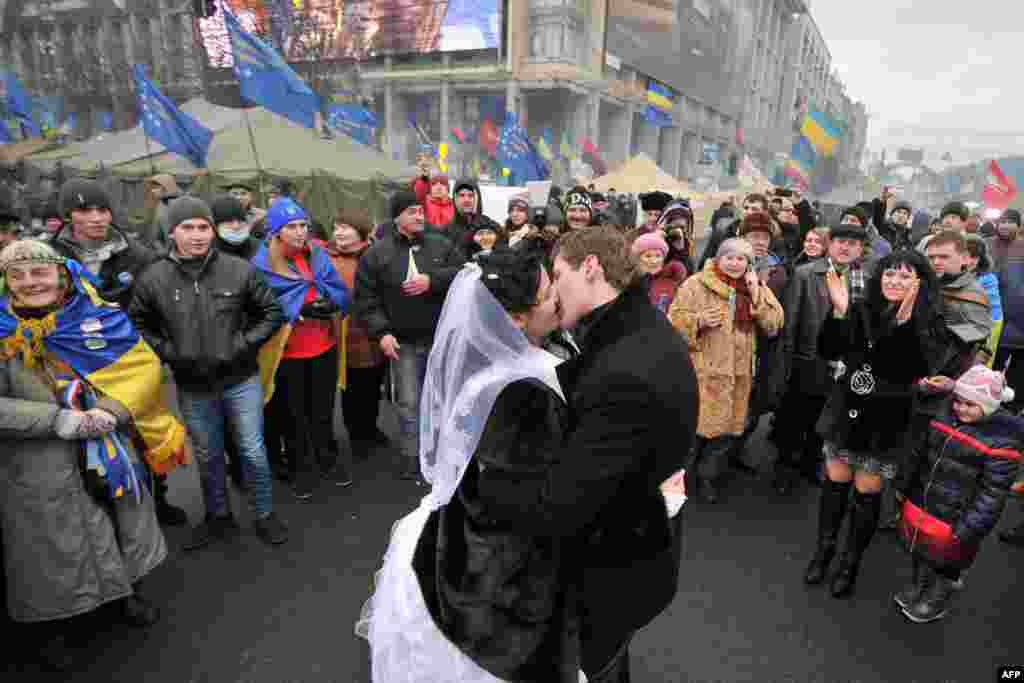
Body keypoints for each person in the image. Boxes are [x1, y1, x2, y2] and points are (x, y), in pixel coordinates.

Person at [475, 226, 698, 681]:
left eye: (558, 274)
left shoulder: (627, 364)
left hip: (609, 570)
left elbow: (562, 506)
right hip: (628, 547)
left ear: (591, 267)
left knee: (595, 665)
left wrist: (481, 488)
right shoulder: (631, 329)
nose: (553, 292)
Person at [357, 250, 583, 682]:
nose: (558, 299)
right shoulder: (523, 392)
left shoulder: (485, 370)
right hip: (495, 549)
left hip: (453, 518)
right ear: (516, 318)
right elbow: (523, 490)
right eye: (548, 293)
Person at [0, 240, 188, 670]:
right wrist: (55, 420)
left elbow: (144, 369)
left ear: (62, 275)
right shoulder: (0, 331)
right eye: (18, 275)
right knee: (52, 547)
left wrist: (112, 409)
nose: (30, 283)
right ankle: (55, 626)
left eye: (40, 272)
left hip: (108, 444)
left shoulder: (99, 317)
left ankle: (123, 596)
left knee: (119, 521)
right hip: (35, 463)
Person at [128, 197, 290, 548]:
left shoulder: (238, 269)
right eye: (188, 227)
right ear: (172, 232)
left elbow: (271, 312)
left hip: (240, 379)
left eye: (204, 227)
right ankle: (219, 516)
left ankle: (264, 513)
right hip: (193, 385)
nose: (198, 235)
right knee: (208, 454)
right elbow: (137, 322)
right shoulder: (154, 277)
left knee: (252, 450)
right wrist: (170, 352)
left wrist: (242, 345)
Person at [805, 249, 947, 598]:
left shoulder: (929, 321)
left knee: (866, 491)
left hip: (887, 420)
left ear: (919, 282)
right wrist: (838, 312)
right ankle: (823, 551)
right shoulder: (861, 307)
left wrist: (905, 326)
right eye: (889, 274)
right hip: (846, 408)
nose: (894, 282)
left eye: (904, 276)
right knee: (835, 483)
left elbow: (913, 369)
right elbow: (828, 349)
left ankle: (849, 563)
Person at [48, 178, 185, 525]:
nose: (96, 217)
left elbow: (162, 302)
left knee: (144, 429)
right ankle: (107, 513)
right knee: (93, 439)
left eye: (102, 209)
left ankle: (158, 499)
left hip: (130, 358)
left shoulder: (137, 254)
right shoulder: (50, 258)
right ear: (68, 215)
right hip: (76, 364)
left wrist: (155, 346)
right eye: (84, 210)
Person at [893, 365, 1021, 623]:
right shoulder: (944, 418)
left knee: (948, 563)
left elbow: (992, 495)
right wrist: (905, 487)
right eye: (958, 402)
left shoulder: (1002, 443)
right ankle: (920, 586)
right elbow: (921, 455)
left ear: (989, 406)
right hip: (926, 504)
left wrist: (969, 529)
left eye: (970, 405)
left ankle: (937, 598)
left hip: (958, 518)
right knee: (920, 548)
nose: (960, 409)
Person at [354, 191, 466, 480]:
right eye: (412, 211)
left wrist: (433, 280)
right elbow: (366, 299)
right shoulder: (377, 254)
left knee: (442, 398)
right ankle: (412, 455)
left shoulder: (441, 245)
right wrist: (382, 333)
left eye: (420, 210)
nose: (419, 215)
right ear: (397, 217)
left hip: (441, 340)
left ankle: (442, 455)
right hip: (402, 343)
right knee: (409, 402)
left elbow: (465, 274)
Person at [669, 238, 783, 503]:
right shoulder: (695, 285)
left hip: (739, 374)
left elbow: (775, 323)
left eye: (741, 259)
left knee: (726, 432)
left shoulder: (754, 287)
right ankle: (678, 478)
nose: (735, 264)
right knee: (694, 431)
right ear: (718, 259)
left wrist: (756, 298)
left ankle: (708, 477)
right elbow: (673, 320)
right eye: (729, 257)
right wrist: (697, 321)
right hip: (702, 371)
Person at [253, 198, 352, 500]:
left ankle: (327, 459)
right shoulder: (261, 265)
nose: (299, 232)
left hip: (323, 346)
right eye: (291, 227)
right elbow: (260, 306)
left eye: (302, 226)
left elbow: (338, 289)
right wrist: (300, 310)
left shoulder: (317, 255)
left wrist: (332, 302)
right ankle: (300, 469)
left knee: (322, 410)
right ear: (276, 231)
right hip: (288, 354)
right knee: (293, 416)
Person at [770, 223, 870, 495]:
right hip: (808, 359)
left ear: (861, 249)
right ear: (830, 244)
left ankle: (809, 464)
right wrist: (788, 364)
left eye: (853, 243)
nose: (845, 247)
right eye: (840, 241)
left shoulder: (865, 278)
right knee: (794, 418)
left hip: (843, 366)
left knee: (825, 421)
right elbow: (790, 322)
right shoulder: (806, 274)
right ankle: (784, 467)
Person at [326, 207, 389, 449]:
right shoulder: (326, 258)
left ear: (360, 232)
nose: (338, 232)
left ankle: (369, 428)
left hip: (371, 334)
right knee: (347, 389)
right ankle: (354, 433)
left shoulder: (375, 256)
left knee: (371, 386)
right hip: (337, 335)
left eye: (344, 227)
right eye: (336, 227)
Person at [963, 234, 1002, 366]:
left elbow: (994, 313)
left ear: (981, 258)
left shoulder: (988, 279)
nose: (969, 261)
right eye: (965, 256)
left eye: (974, 256)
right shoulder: (949, 274)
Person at [444, 178, 501, 259]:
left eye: (471, 195)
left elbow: (504, 254)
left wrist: (476, 218)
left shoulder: (490, 225)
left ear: (477, 199)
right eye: (462, 195)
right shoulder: (448, 230)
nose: (466, 200)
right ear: (455, 199)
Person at [630, 231, 685, 315]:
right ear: (638, 259)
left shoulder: (671, 279)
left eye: (658, 256)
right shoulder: (630, 281)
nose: (654, 261)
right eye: (648, 256)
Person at [211, 194, 262, 261]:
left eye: (240, 220)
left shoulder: (260, 248)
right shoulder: (207, 252)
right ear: (215, 225)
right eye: (229, 221)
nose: (236, 226)